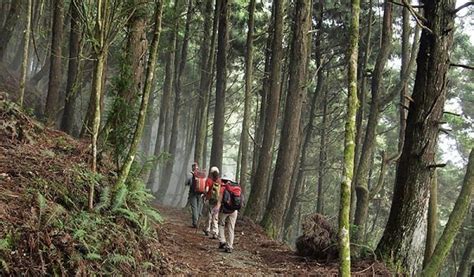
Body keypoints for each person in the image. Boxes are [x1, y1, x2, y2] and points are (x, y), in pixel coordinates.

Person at [215, 177, 242, 253]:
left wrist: (217, 209)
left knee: (221, 224)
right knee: (231, 228)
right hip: (234, 210)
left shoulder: (223, 188)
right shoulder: (237, 188)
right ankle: (230, 246)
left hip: (225, 210)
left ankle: (222, 241)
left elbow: (219, 201)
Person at [203, 166, 221, 239]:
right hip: (217, 201)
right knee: (215, 217)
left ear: (211, 173)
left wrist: (204, 194)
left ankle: (207, 229)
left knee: (209, 215)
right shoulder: (220, 181)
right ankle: (215, 232)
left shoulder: (209, 180)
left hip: (210, 200)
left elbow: (206, 190)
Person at [185, 162, 203, 228]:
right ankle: (198, 222)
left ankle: (195, 223)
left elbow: (187, 183)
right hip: (200, 193)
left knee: (194, 208)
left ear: (192, 167)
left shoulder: (190, 174)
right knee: (198, 208)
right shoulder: (201, 174)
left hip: (192, 193)